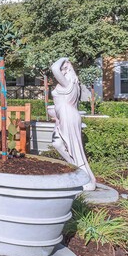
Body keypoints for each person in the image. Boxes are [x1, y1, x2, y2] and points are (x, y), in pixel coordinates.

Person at [51, 58, 96, 191]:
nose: (62, 70)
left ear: (69, 69)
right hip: (62, 117)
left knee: (74, 149)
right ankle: (76, 169)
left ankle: (87, 180)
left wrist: (64, 59)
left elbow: (54, 68)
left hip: (68, 116)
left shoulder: (69, 84)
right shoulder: (68, 84)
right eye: (62, 68)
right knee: (57, 144)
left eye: (65, 68)